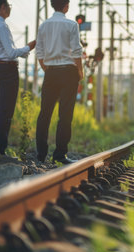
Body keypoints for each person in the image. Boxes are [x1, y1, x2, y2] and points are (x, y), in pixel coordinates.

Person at [0, 0, 36, 155]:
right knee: (4, 111)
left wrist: (25, 51)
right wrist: (29, 47)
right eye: (9, 6)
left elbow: (6, 53)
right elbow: (12, 53)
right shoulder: (2, 26)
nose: (10, 9)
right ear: (2, 7)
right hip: (7, 71)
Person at [35, 0, 83, 164]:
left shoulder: (43, 26)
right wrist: (80, 70)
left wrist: (46, 69)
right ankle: (60, 154)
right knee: (65, 115)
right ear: (66, 6)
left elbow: (39, 51)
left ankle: (41, 154)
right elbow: (76, 50)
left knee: (44, 114)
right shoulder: (71, 25)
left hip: (51, 72)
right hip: (69, 72)